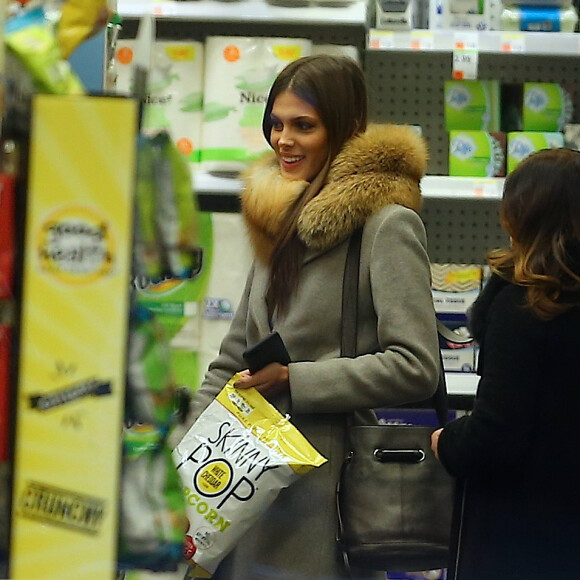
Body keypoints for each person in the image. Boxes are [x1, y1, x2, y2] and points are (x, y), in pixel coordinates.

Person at [179, 54, 440, 579]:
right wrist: (180, 460)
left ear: (345, 131)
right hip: (240, 490)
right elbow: (231, 358)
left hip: (323, 496)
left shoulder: (386, 226)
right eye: (276, 123)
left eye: (304, 126)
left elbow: (416, 364)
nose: (283, 140)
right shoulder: (277, 218)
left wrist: (294, 380)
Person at [431, 147, 580, 580]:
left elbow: (496, 436)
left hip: (523, 535)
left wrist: (447, 442)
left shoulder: (528, 305)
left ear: (518, 216)